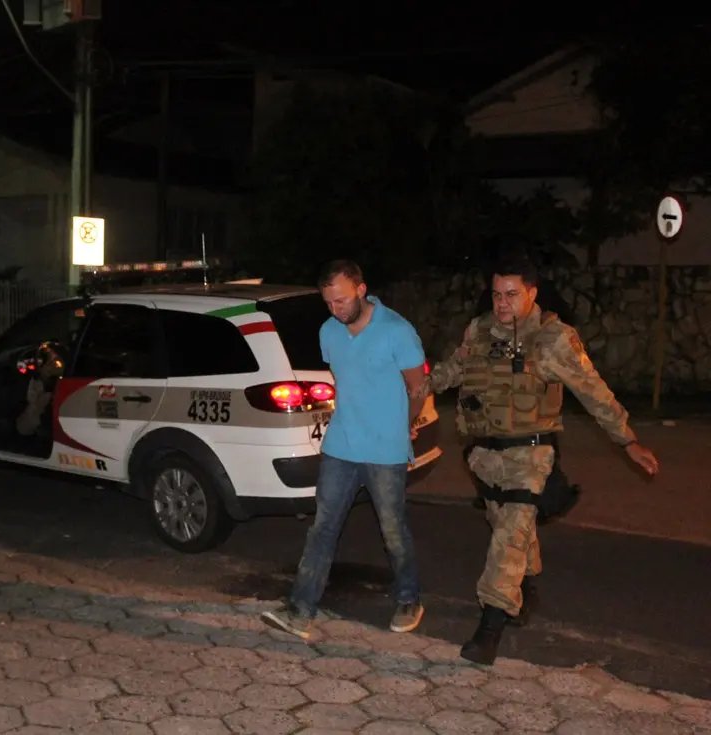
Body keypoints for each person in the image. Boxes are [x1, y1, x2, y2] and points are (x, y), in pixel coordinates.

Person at [428, 251, 659, 665]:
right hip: (484, 455)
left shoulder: (553, 339)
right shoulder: (479, 330)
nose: (502, 303)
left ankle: (490, 626)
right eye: (496, 294)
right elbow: (454, 369)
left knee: (509, 534)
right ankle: (525, 586)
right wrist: (418, 386)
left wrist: (628, 440)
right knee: (508, 526)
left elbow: (594, 391)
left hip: (530, 454)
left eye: (511, 294)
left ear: (532, 293)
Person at [260, 259, 428, 641]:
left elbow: (417, 386)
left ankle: (409, 599)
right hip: (341, 445)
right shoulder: (329, 332)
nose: (335, 309)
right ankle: (300, 610)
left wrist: (405, 424)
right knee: (323, 528)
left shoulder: (397, 330)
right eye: (329, 303)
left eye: (341, 300)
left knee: (393, 529)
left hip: (385, 448)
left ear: (361, 290)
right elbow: (347, 380)